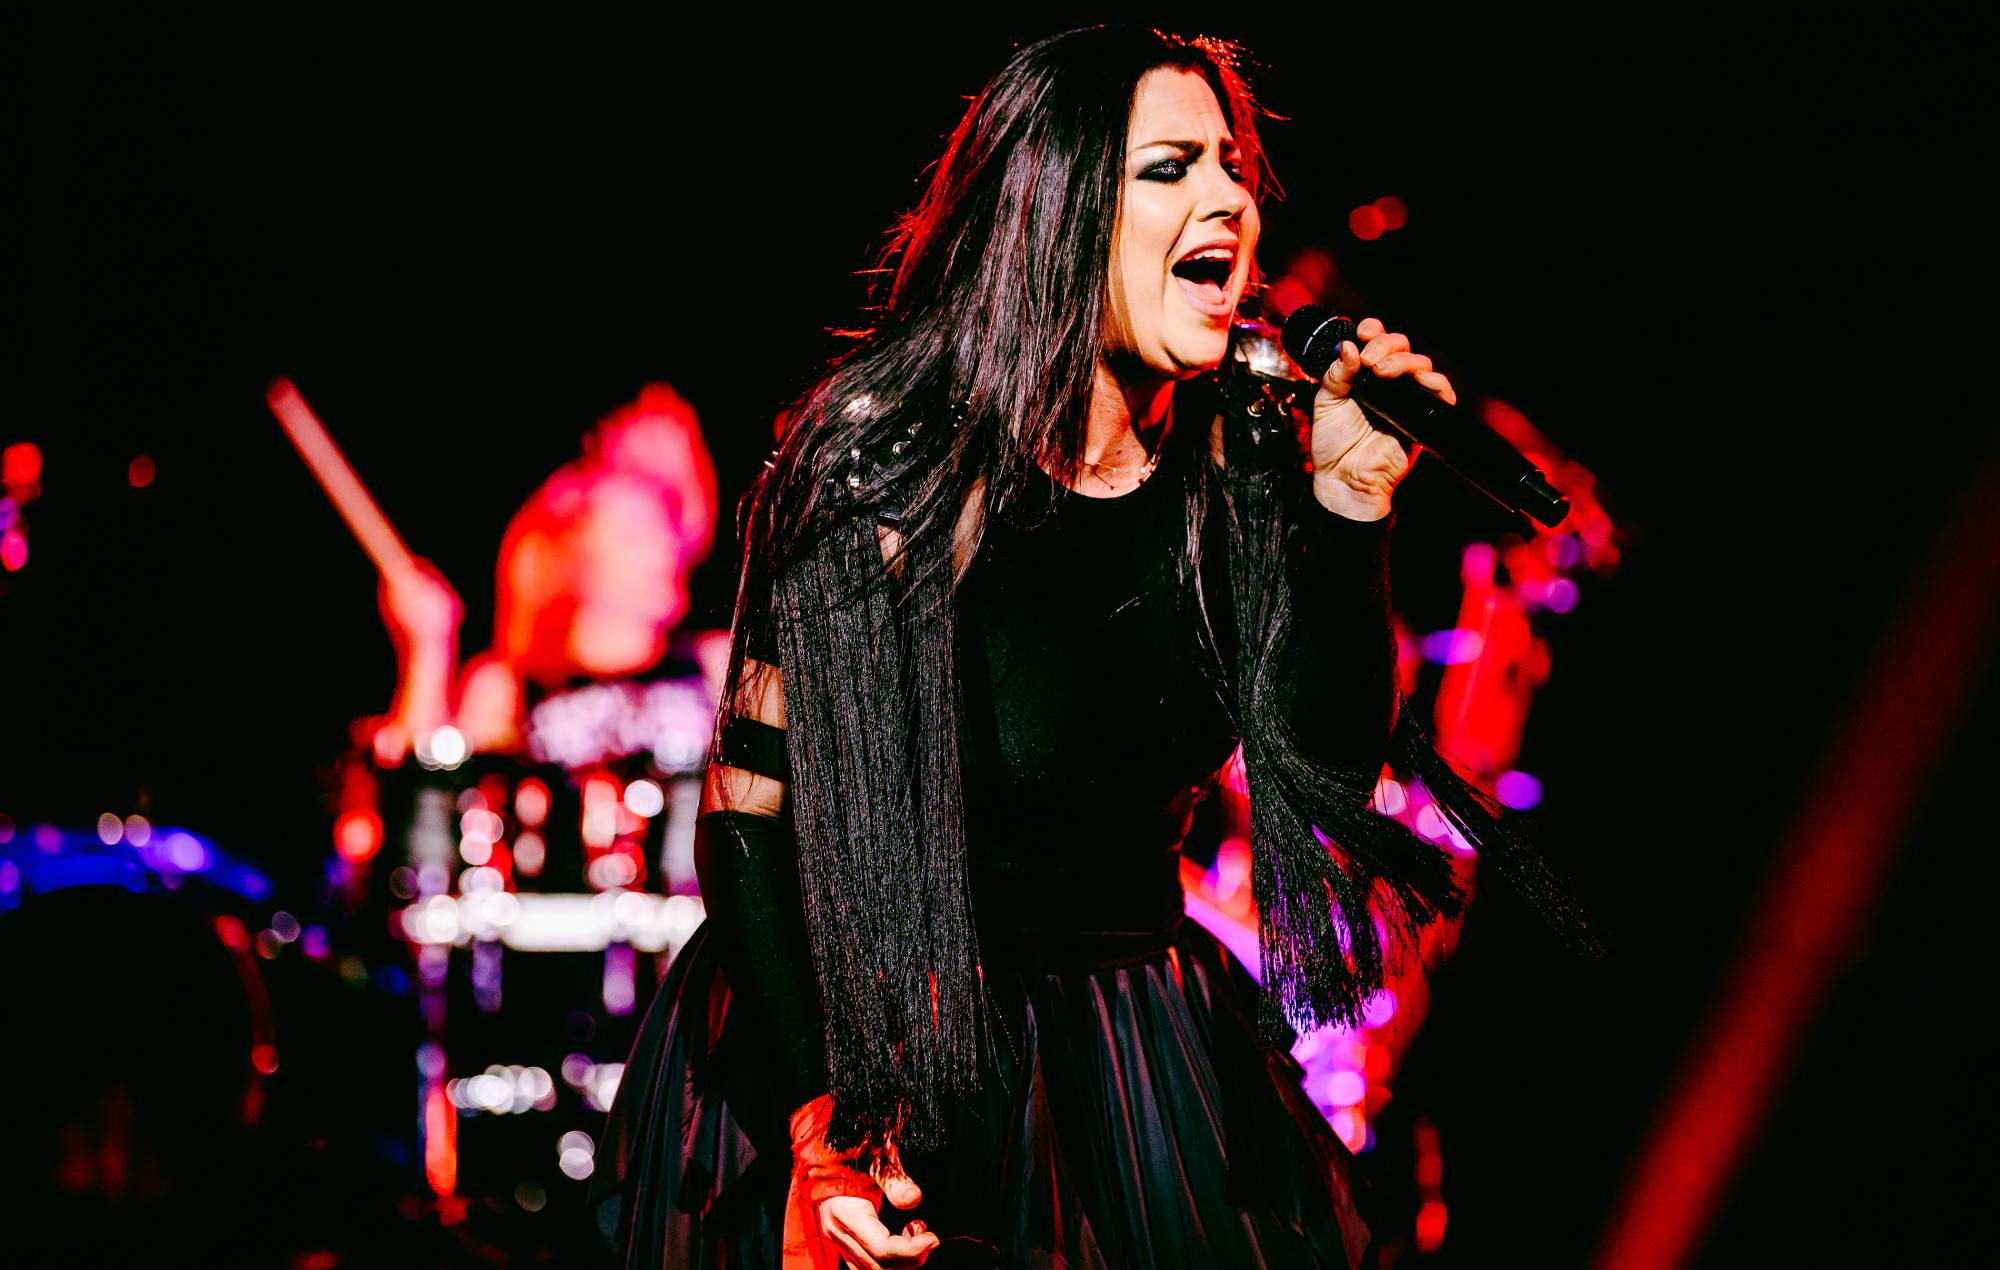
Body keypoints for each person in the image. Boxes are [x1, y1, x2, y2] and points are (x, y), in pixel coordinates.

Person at [592, 26, 1587, 1269]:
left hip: (1127, 1038)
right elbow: (749, 821)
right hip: (876, 1041)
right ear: (1060, 206)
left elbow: (1323, 768)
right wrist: (820, 1132)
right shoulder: (888, 459)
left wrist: (1348, 513)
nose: (1230, 197)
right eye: (1173, 167)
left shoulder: (1239, 458)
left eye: (1232, 167)